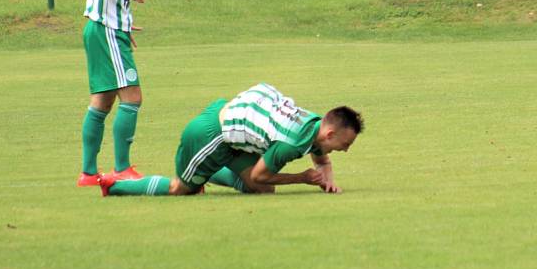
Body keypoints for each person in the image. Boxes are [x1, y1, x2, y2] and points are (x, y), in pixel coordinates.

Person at [99, 83, 364, 196]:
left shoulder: (314, 123)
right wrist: (302, 178)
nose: (346, 150)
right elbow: (261, 174)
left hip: (233, 130)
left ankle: (205, 174)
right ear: (330, 134)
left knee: (261, 191)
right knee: (180, 189)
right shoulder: (290, 143)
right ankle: (115, 185)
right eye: (345, 144)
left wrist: (326, 178)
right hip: (211, 134)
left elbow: (320, 153)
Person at [77, 0, 148, 187]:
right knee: (132, 97)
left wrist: (125, 22)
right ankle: (121, 169)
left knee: (102, 101)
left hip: (104, 29)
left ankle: (89, 174)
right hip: (106, 32)